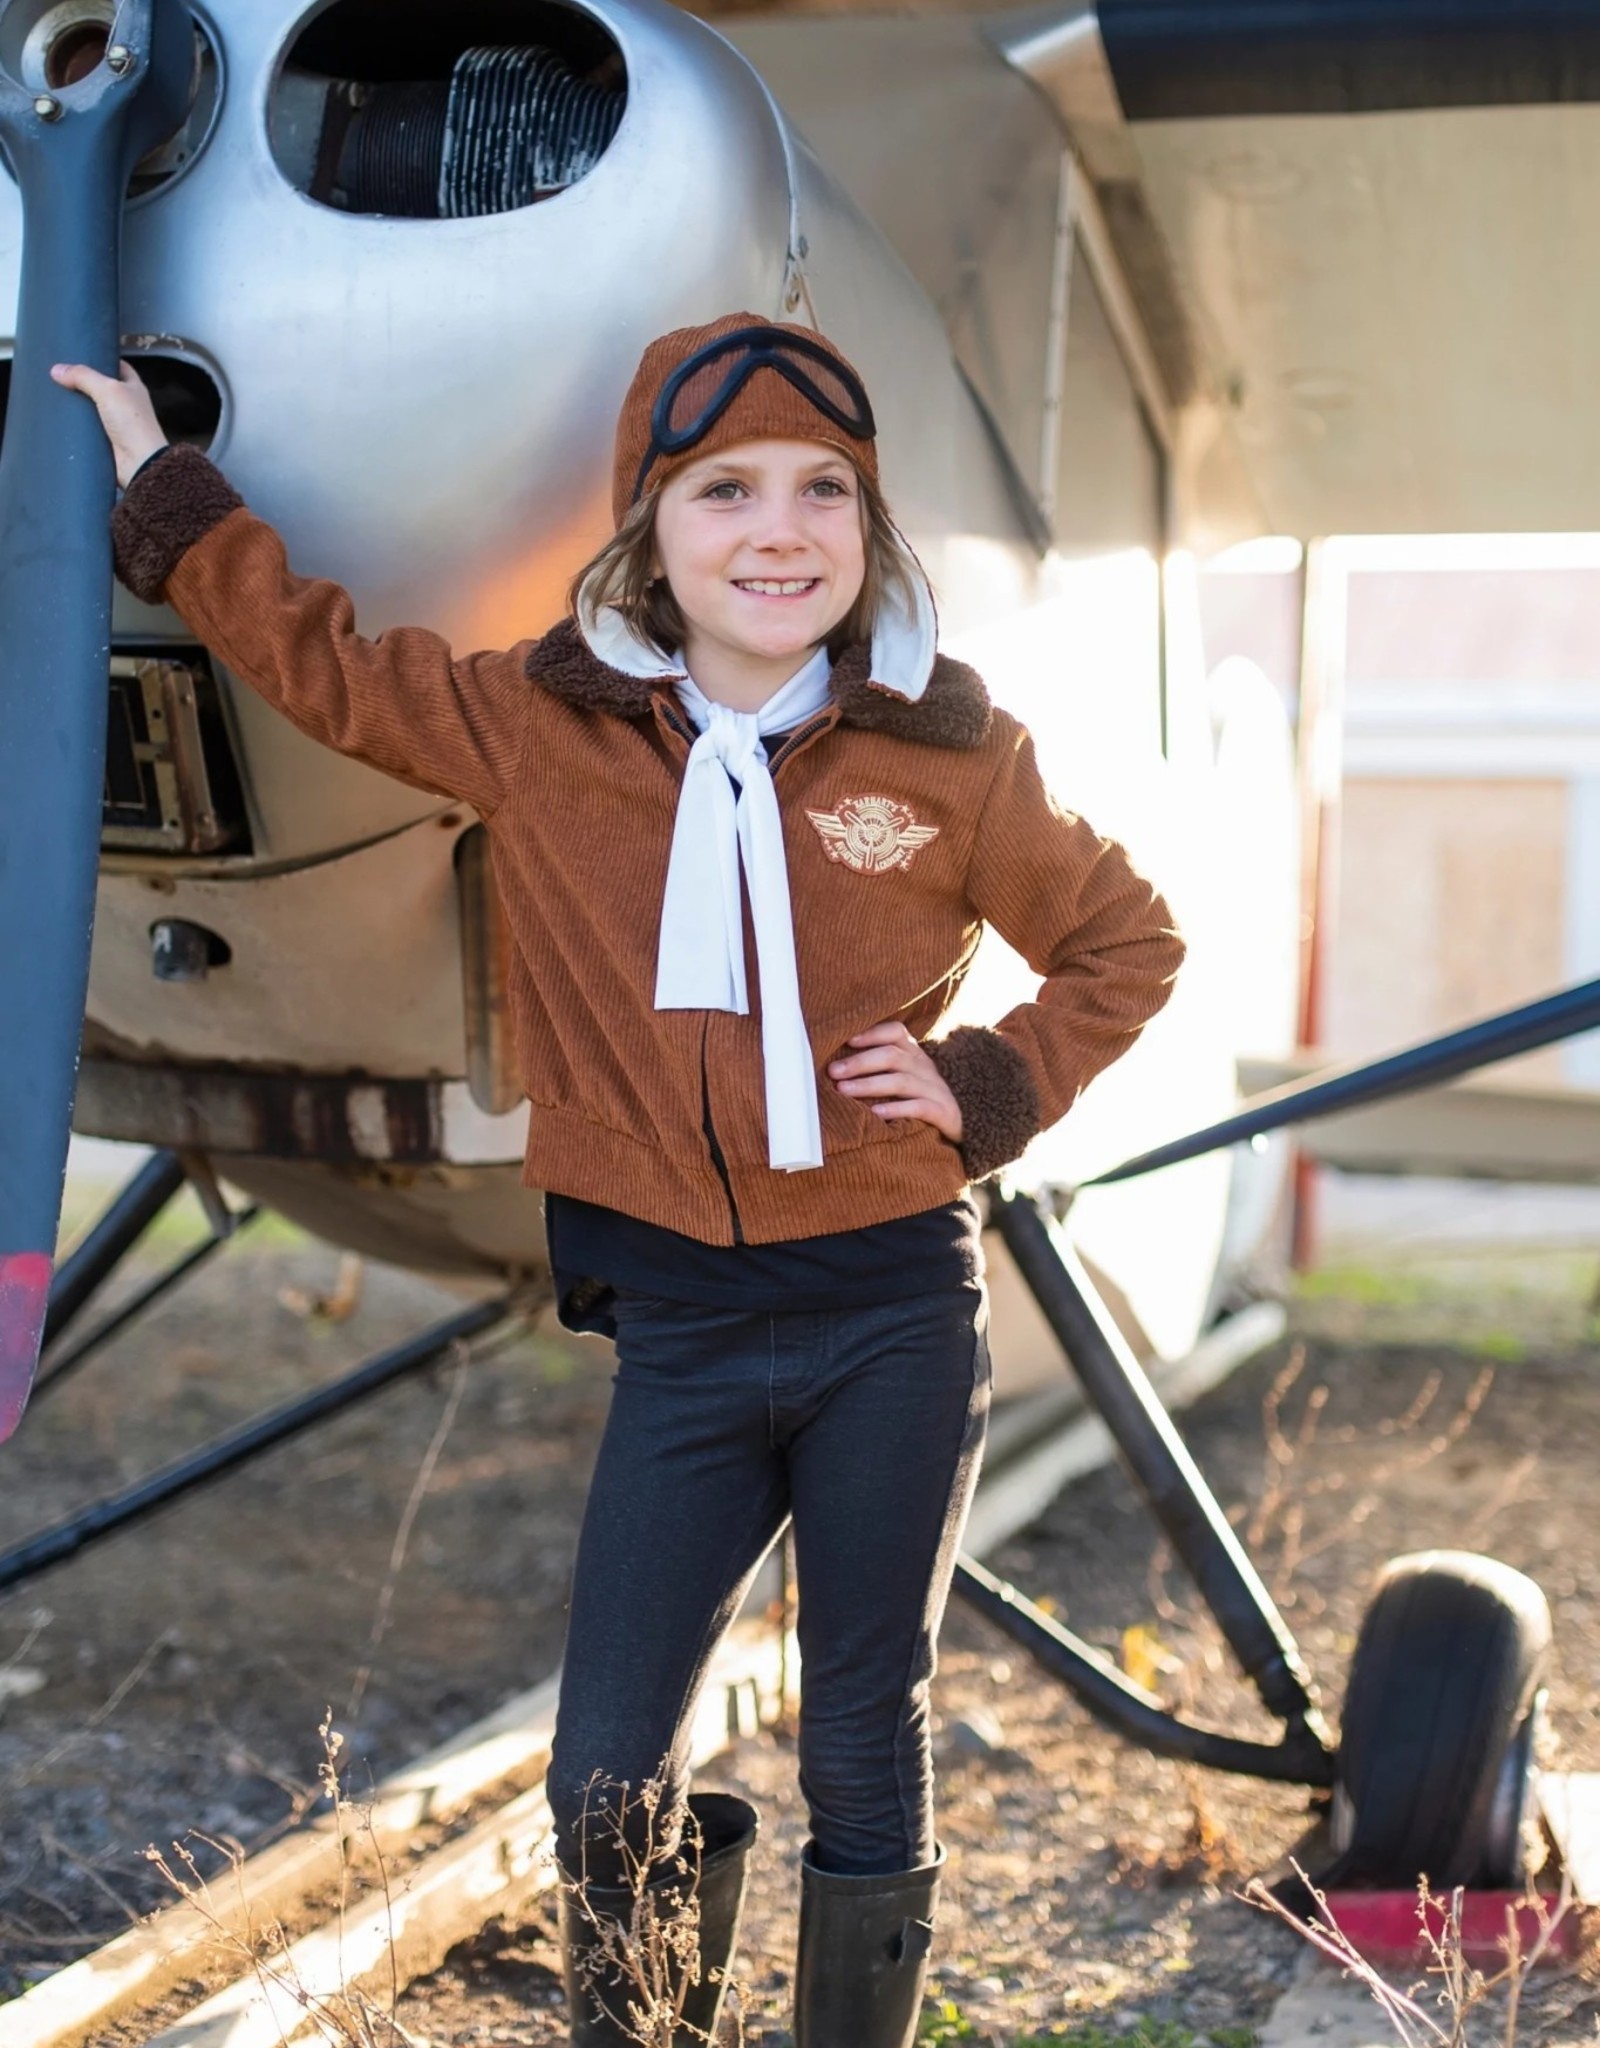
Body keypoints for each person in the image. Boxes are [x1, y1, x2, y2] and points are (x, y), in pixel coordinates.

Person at [56, 313, 1186, 2047]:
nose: (780, 531)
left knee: (862, 1734)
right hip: (683, 1332)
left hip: (890, 1303)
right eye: (724, 490)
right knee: (605, 1772)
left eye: (825, 491)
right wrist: (167, 486)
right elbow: (326, 665)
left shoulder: (949, 751)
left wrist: (983, 1080)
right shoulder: (538, 726)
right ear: (649, 532)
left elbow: (1126, 939)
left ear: (865, 531)